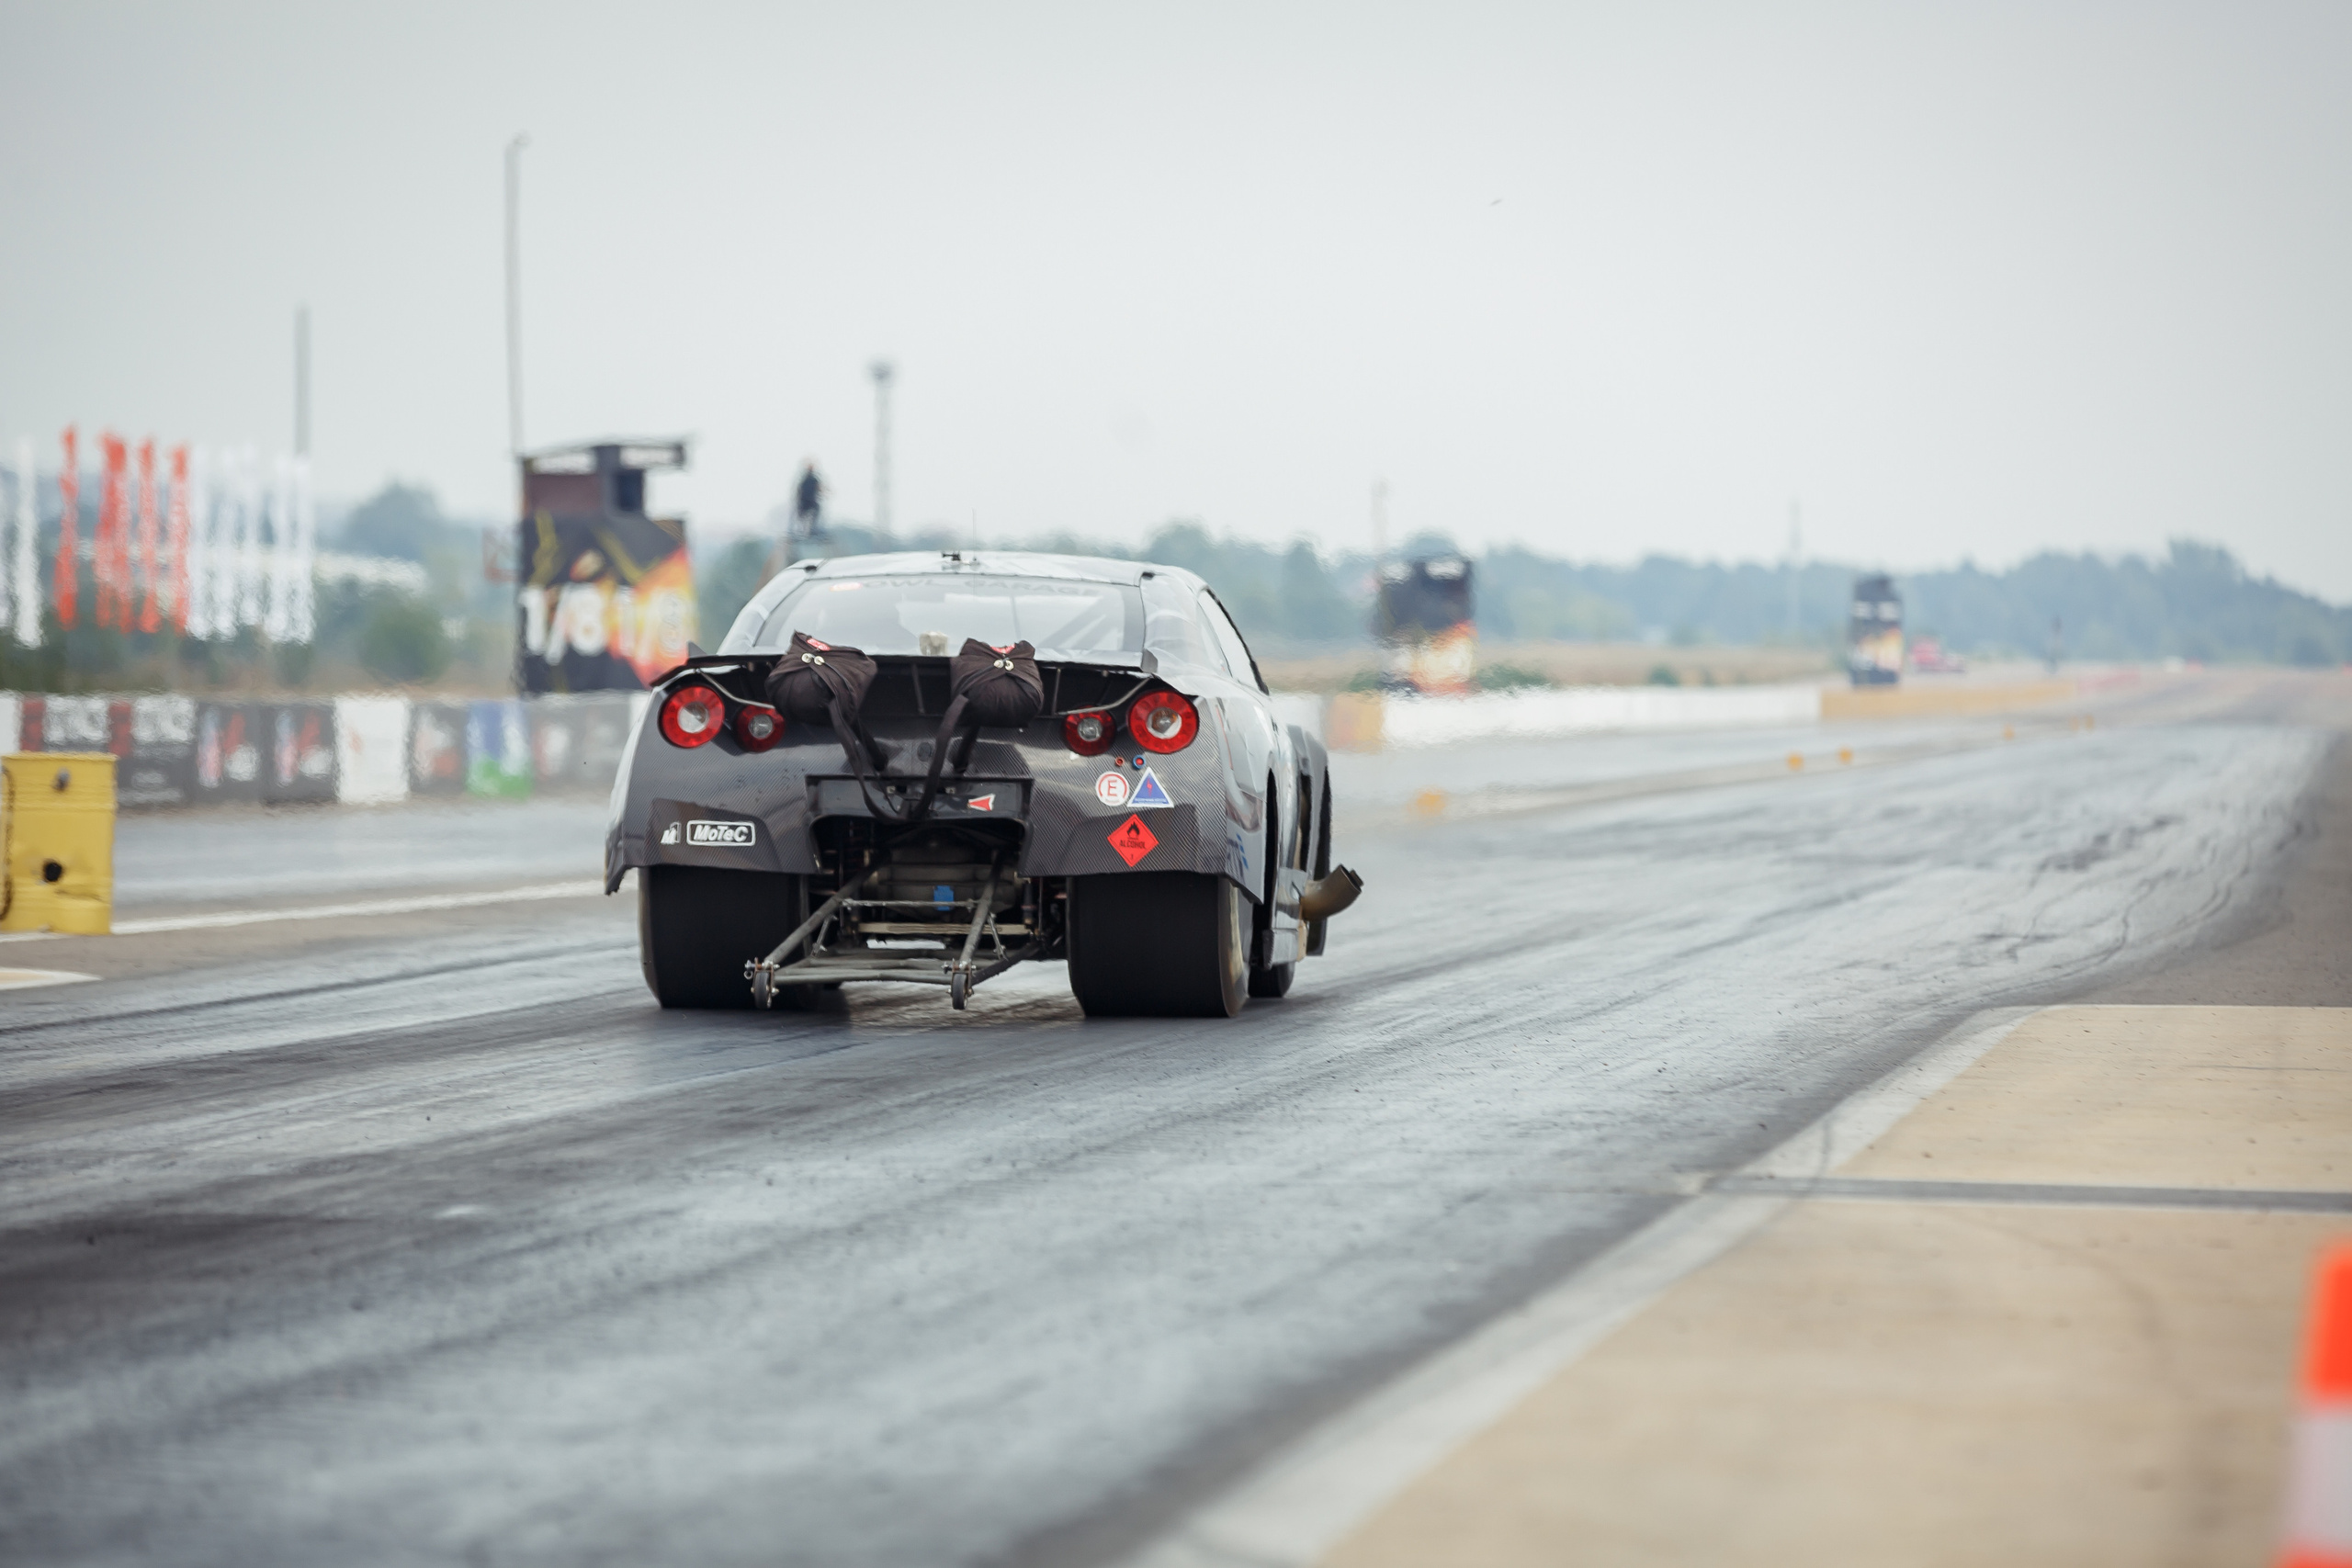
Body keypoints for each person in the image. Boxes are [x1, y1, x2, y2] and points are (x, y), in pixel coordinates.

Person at [793, 461, 825, 539]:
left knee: (810, 514)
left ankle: (809, 530)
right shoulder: (806, 479)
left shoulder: (809, 479)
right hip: (806, 501)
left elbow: (799, 490)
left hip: (808, 501)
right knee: (804, 516)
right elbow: (799, 490)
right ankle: (805, 530)